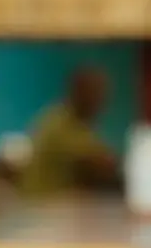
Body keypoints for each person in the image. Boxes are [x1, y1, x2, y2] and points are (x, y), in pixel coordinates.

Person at [21, 68, 119, 196]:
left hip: (57, 202)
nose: (100, 101)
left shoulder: (79, 124)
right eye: (95, 93)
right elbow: (99, 163)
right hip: (44, 203)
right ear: (78, 92)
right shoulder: (58, 122)